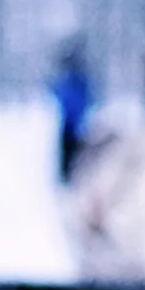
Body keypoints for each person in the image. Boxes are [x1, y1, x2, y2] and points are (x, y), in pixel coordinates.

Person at [49, 41, 96, 184]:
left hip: (72, 127)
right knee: (75, 159)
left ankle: (69, 181)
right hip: (77, 126)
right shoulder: (80, 81)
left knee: (73, 159)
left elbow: (63, 99)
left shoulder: (74, 81)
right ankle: (69, 181)